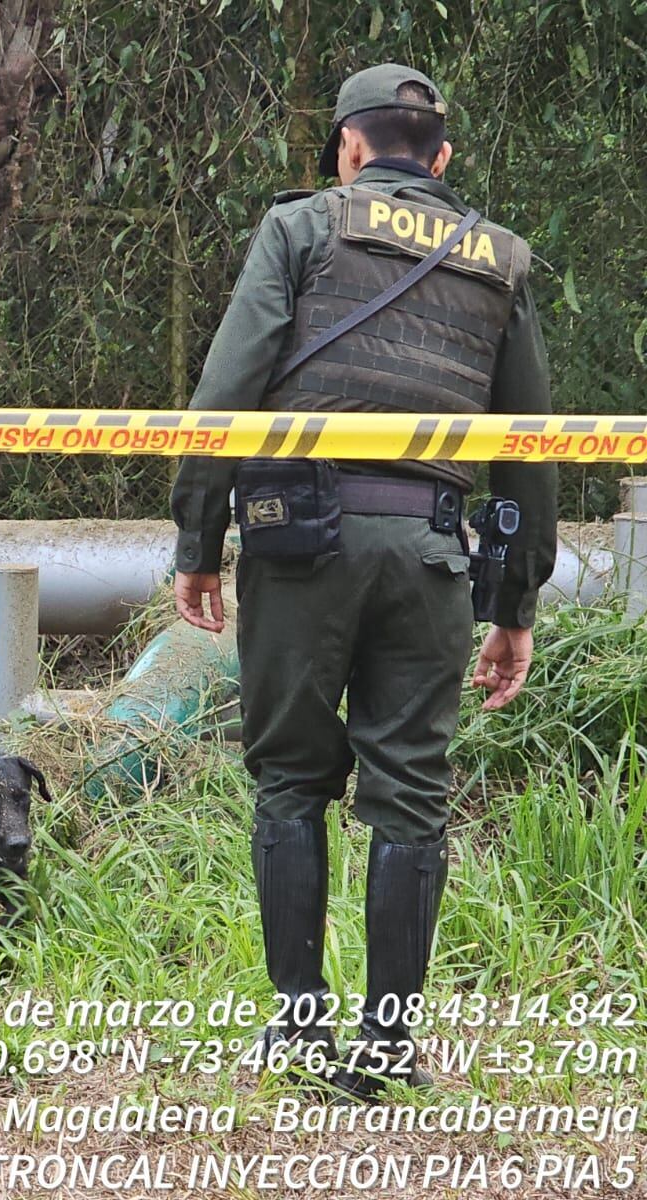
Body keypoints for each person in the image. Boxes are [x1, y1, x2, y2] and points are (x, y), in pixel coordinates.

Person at [168, 64, 557, 1101]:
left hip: (300, 545)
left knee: (290, 780)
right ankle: (386, 1047)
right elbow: (530, 448)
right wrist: (512, 603)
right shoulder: (500, 258)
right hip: (431, 552)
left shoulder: (300, 228)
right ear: (441, 157)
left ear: (348, 147)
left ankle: (301, 1028)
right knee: (412, 796)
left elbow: (224, 393)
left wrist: (197, 539)